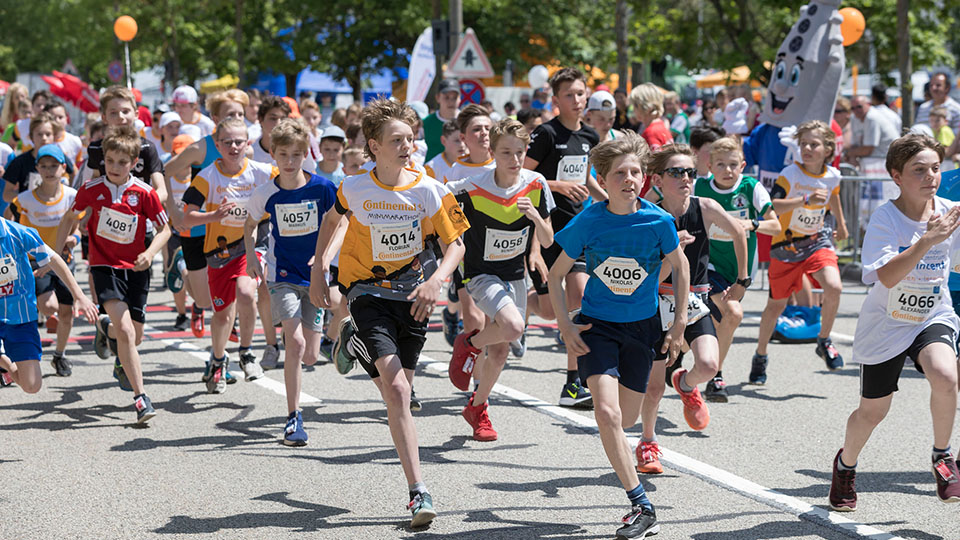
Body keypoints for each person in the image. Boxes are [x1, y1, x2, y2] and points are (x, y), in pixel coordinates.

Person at [308, 98, 468, 527]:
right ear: (374, 146)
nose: (407, 146)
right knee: (396, 391)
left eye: (411, 139)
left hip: (413, 294)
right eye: (396, 140)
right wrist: (321, 268)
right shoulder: (354, 186)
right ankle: (418, 492)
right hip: (366, 291)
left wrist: (438, 281)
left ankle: (353, 343)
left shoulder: (429, 188)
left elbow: (457, 245)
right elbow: (330, 221)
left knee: (400, 396)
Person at [551, 132, 686, 539]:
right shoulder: (589, 220)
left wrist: (677, 326)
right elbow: (556, 275)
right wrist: (565, 324)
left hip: (643, 328)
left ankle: (633, 484)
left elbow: (679, 269)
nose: (630, 179)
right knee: (607, 414)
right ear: (603, 179)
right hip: (598, 326)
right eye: (620, 173)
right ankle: (641, 505)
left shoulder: (659, 221)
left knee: (625, 418)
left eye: (636, 172)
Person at [829, 133, 960, 511]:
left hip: (931, 315)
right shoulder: (886, 219)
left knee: (946, 374)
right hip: (887, 322)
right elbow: (884, 277)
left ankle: (942, 457)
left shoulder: (950, 211)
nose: (930, 176)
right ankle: (846, 465)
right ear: (897, 176)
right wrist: (924, 242)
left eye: (935, 168)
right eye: (919, 170)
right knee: (873, 411)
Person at [638, 144, 748, 475]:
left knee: (710, 364)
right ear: (657, 179)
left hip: (694, 301)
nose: (686, 178)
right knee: (654, 386)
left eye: (690, 172)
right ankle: (647, 444)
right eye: (676, 173)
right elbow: (646, 278)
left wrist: (742, 279)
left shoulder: (706, 207)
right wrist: (673, 253)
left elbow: (739, 231)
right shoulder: (648, 215)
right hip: (657, 301)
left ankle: (685, 384)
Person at [446, 118, 555, 441]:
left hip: (515, 275)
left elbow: (548, 240)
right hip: (480, 274)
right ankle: (469, 343)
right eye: (506, 152)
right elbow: (437, 203)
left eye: (520, 152)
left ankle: (477, 409)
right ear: (492, 152)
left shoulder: (535, 184)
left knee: (502, 351)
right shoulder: (471, 186)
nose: (515, 159)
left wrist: (535, 216)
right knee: (513, 326)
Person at [55, 125, 171, 423]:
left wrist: (149, 253)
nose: (116, 167)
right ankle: (141, 398)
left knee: (135, 336)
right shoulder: (91, 190)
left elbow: (165, 229)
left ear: (134, 163)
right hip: (104, 267)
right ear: (103, 160)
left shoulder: (144, 193)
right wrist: (56, 255)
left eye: (123, 162)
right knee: (128, 332)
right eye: (110, 161)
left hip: (136, 267)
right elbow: (71, 216)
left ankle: (105, 330)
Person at [245, 118, 337, 446]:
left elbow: (343, 223)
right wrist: (253, 256)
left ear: (305, 155)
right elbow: (249, 223)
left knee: (310, 354)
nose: (289, 161)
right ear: (273, 154)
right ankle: (293, 416)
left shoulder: (323, 188)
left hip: (315, 278)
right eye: (283, 154)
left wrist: (325, 257)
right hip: (281, 275)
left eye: (296, 154)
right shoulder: (266, 192)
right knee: (294, 344)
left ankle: (331, 339)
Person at [524, 67, 604, 408]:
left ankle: (573, 383)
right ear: (555, 100)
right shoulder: (545, 133)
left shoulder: (590, 136)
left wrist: (614, 200)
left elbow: (587, 179)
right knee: (547, 309)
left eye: (580, 94)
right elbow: (523, 177)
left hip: (577, 229)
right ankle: (518, 309)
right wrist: (555, 186)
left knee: (580, 299)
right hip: (544, 231)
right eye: (569, 95)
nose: (576, 100)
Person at [181, 118, 276, 393]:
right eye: (227, 142)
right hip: (219, 252)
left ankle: (246, 352)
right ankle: (219, 359)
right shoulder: (207, 177)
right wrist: (214, 215)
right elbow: (187, 218)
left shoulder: (263, 171)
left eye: (239, 141)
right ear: (217, 144)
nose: (234, 147)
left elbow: (292, 182)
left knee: (247, 293)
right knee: (222, 315)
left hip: (251, 245)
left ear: (248, 144)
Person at [753, 120, 848, 383]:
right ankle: (760, 355)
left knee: (834, 287)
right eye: (803, 143)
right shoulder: (790, 174)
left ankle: (824, 340)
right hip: (785, 248)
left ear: (828, 149)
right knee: (775, 307)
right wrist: (804, 200)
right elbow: (773, 206)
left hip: (817, 242)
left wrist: (841, 223)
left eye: (813, 144)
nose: (806, 148)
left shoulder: (833, 175)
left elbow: (834, 195)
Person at [695, 137, 780, 401]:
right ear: (709, 165)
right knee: (732, 312)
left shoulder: (751, 188)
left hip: (741, 271)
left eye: (733, 164)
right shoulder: (699, 187)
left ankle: (691, 366)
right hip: (707, 265)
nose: (727, 170)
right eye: (720, 164)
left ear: (742, 165)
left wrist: (750, 225)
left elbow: (775, 226)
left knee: (724, 319)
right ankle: (716, 376)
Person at [163, 89, 250, 343]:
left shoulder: (244, 149)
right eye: (229, 114)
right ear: (215, 118)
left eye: (240, 114)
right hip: (198, 229)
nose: (236, 118)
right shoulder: (201, 147)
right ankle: (182, 266)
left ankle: (222, 350)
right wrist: (173, 210)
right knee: (203, 299)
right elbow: (165, 171)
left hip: (230, 232)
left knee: (229, 292)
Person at [8, 144, 84, 375]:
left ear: (63, 168)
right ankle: (42, 314)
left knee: (66, 312)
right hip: (34, 261)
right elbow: (8, 221)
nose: (49, 170)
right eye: (44, 166)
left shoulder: (72, 196)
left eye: (54, 166)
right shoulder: (24, 199)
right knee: (49, 305)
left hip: (63, 259)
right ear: (37, 168)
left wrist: (74, 239)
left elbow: (78, 230)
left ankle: (60, 355)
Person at [0, 213, 97, 392]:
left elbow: (53, 259)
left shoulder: (17, 233)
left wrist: (79, 296)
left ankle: (7, 365)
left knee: (32, 385)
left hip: (20, 317)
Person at [3, 112, 75, 203]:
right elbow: (7, 194)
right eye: (39, 134)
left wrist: (68, 193)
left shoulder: (60, 157)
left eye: (48, 134)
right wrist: (28, 200)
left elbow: (74, 174)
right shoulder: (20, 162)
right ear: (31, 137)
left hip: (55, 211)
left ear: (54, 137)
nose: (44, 138)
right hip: (27, 213)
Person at [845, 95, 899, 177]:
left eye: (859, 107)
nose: (856, 110)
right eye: (852, 108)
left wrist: (849, 154)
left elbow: (868, 149)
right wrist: (851, 155)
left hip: (885, 162)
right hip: (874, 162)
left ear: (868, 104)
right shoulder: (854, 118)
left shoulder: (872, 118)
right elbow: (855, 145)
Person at [423, 78, 461, 162]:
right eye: (446, 97)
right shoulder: (425, 123)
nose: (451, 101)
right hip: (432, 173)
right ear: (438, 98)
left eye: (454, 98)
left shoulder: (467, 122)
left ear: (460, 99)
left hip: (463, 171)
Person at [629, 84, 673, 152]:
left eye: (635, 105)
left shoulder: (650, 133)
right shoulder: (660, 125)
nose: (633, 110)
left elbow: (654, 161)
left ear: (646, 107)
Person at [423, 121, 465, 190]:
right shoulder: (431, 168)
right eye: (456, 140)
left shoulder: (471, 161)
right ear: (443, 141)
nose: (462, 145)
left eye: (463, 139)